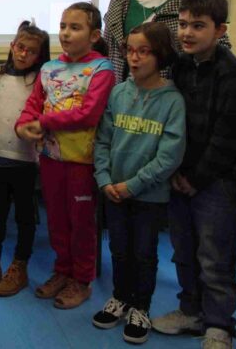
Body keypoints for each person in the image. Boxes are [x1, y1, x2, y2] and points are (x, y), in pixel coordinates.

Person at [150, 0, 236, 349]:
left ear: (220, 31)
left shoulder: (232, 75)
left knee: (214, 255)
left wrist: (196, 179)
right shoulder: (181, 67)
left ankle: (219, 324)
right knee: (183, 249)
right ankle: (191, 311)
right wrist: (175, 171)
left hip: (217, 181)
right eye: (183, 25)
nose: (186, 33)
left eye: (198, 26)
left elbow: (227, 139)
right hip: (180, 175)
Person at [15, 2, 115, 309]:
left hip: (82, 161)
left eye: (75, 27)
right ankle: (62, 270)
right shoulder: (48, 68)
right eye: (62, 26)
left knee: (81, 222)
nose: (66, 34)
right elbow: (35, 104)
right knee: (56, 220)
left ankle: (81, 279)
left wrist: (42, 122)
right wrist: (22, 125)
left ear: (95, 34)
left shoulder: (102, 70)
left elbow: (88, 114)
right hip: (50, 157)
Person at [92, 22, 186, 344]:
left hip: (149, 196)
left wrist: (133, 184)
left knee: (144, 253)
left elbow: (169, 156)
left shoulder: (173, 101)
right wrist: (104, 179)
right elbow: (102, 141)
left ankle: (141, 308)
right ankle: (120, 298)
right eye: (130, 50)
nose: (135, 58)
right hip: (113, 191)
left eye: (143, 51)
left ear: (160, 55)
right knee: (118, 249)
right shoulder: (118, 93)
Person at [0, 21, 50, 297]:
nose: (23, 54)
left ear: (40, 56)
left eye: (31, 51)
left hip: (25, 161)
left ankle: (19, 266)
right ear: (12, 45)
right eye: (20, 47)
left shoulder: (40, 80)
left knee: (25, 217)